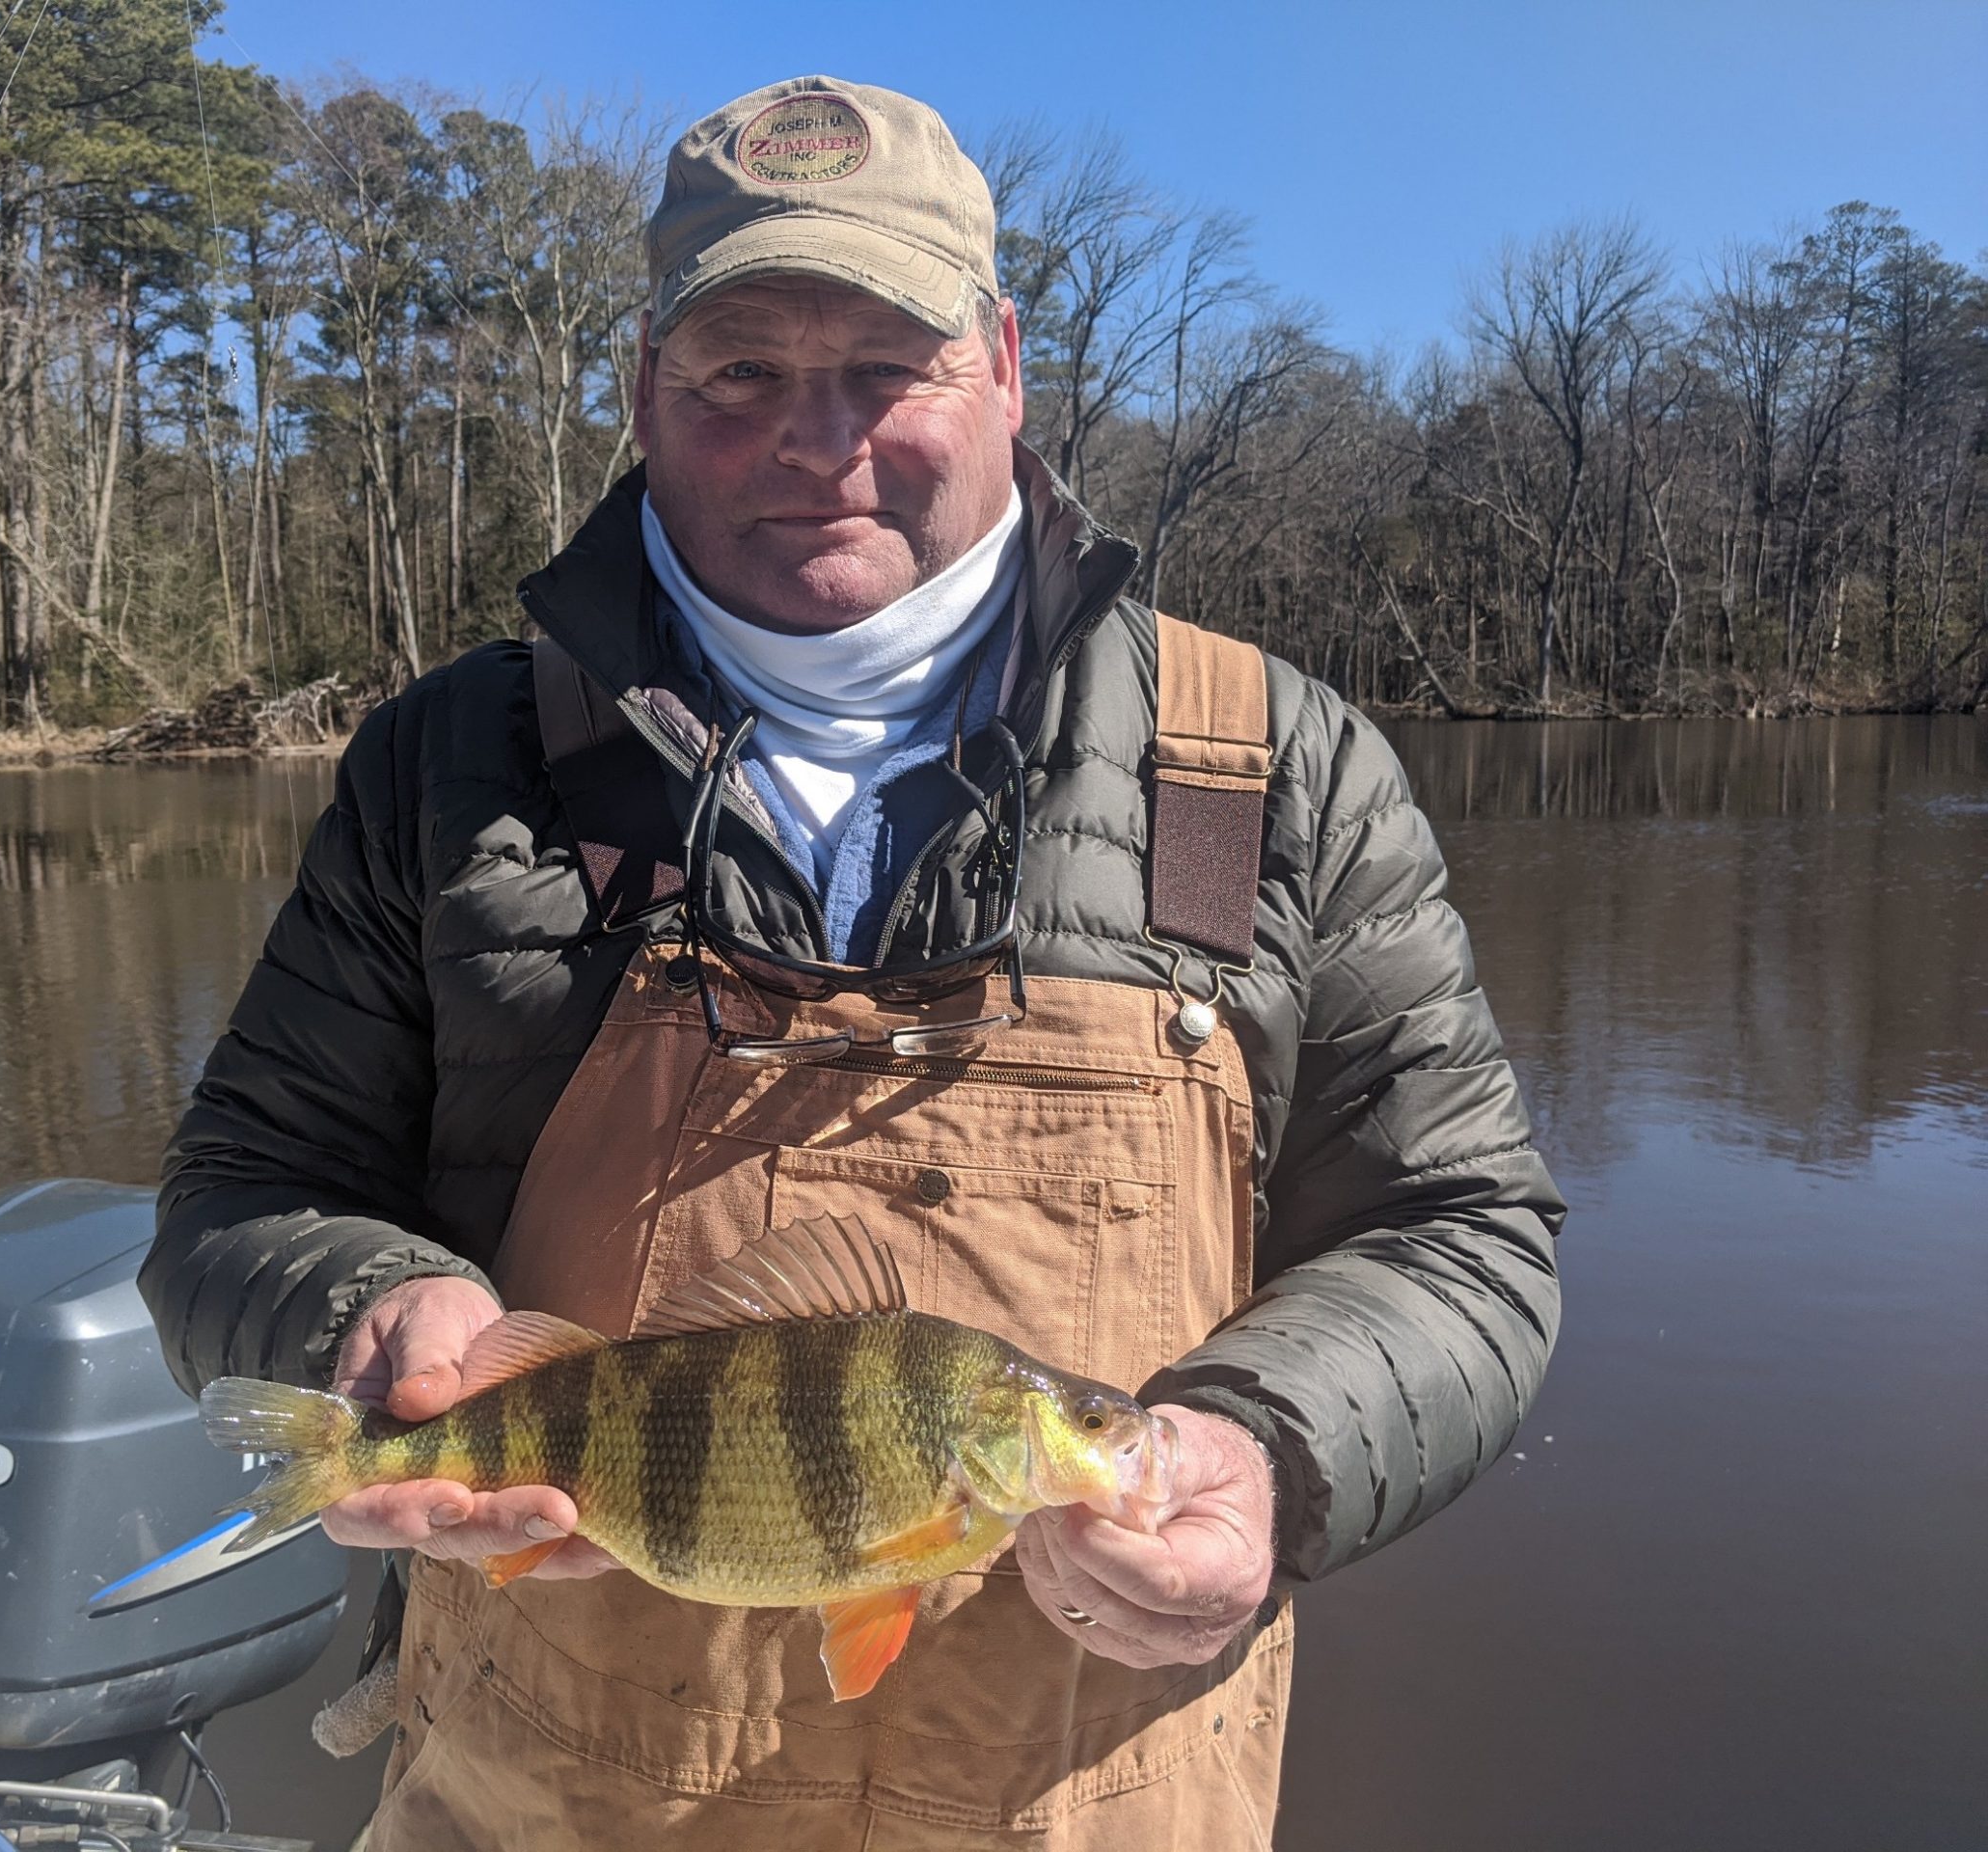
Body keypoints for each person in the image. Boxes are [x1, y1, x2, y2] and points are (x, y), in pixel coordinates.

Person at [143, 73, 1563, 1850]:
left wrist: (1276, 1454)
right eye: (741, 368)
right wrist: (361, 1314)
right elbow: (246, 1190)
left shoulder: (1268, 774)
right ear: (644, 385)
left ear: (1005, 367)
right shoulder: (454, 767)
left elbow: (1463, 1235)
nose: (818, 438)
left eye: (888, 366)